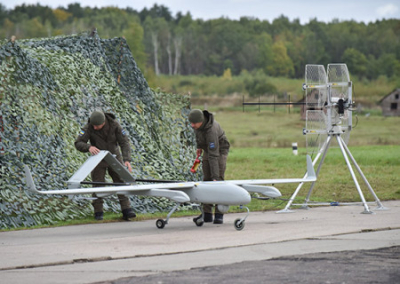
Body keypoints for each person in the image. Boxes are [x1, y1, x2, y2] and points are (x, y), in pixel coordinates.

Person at [74, 110, 136, 221]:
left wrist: (127, 160)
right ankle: (98, 212)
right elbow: (78, 143)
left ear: (103, 122)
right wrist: (89, 147)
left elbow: (124, 142)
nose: (95, 128)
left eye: (97, 126)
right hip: (98, 158)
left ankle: (126, 210)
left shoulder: (115, 125)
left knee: (121, 182)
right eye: (93, 125)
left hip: (114, 157)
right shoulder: (88, 127)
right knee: (97, 184)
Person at [188, 109, 230, 224]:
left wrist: (215, 176)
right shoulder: (198, 126)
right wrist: (199, 148)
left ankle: (219, 214)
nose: (192, 125)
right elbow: (199, 137)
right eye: (191, 123)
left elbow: (214, 156)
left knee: (218, 181)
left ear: (201, 121)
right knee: (206, 181)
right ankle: (206, 213)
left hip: (219, 151)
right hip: (208, 150)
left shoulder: (211, 131)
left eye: (194, 123)